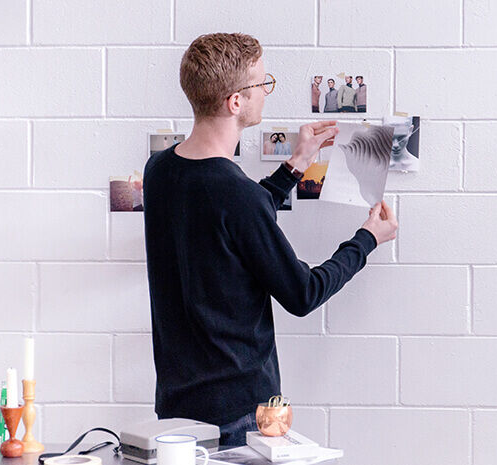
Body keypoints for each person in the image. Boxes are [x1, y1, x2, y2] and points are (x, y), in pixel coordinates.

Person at [143, 32, 398, 448]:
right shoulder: (237, 195)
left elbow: (234, 218)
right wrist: (367, 239)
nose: (266, 91)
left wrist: (296, 163)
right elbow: (302, 293)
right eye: (262, 83)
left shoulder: (159, 171)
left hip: (175, 409)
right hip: (238, 416)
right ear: (235, 102)